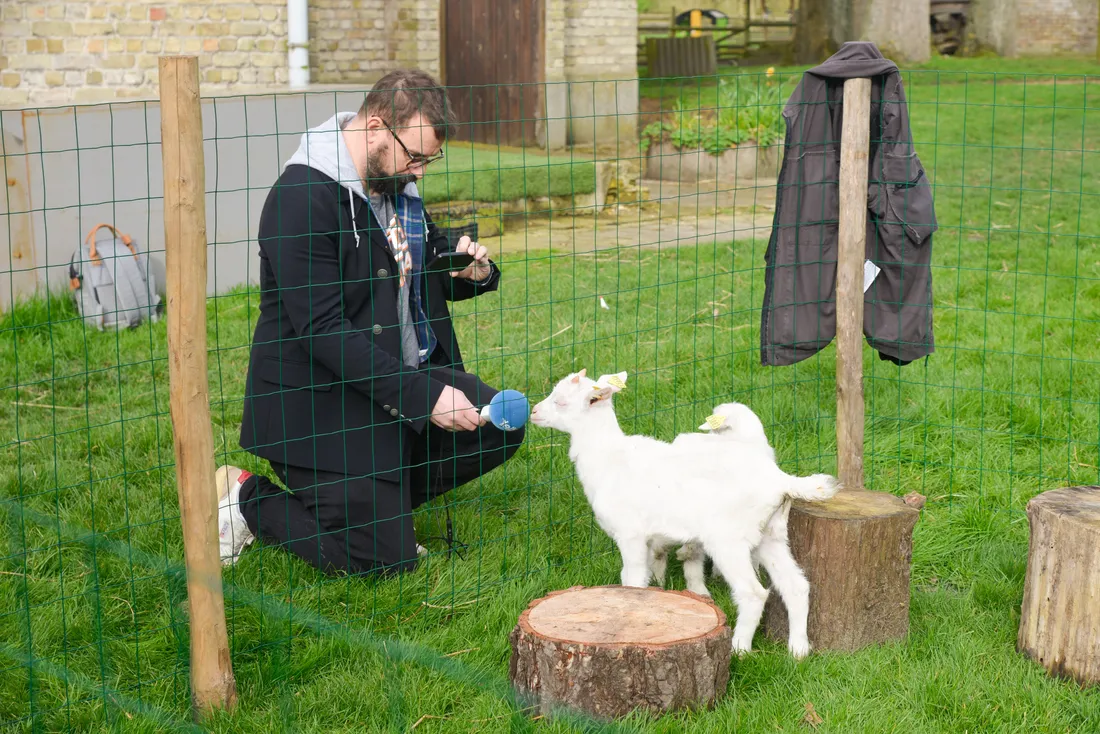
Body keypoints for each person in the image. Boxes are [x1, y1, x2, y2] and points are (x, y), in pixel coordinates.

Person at [214, 68, 525, 576]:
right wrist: (424, 398)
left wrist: (471, 269)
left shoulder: (392, 184)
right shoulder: (301, 198)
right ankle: (247, 498)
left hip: (385, 384)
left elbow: (411, 265)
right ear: (377, 126)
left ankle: (379, 508)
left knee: (499, 425)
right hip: (319, 404)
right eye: (417, 156)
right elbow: (322, 331)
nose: (421, 171)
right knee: (381, 562)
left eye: (430, 158)